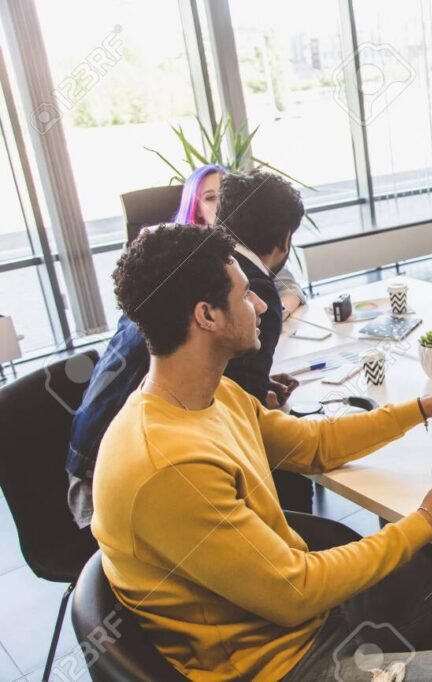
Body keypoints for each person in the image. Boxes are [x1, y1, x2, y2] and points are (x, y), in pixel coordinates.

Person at [92, 225, 432, 681]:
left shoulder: (215, 397)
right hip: (282, 663)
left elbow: (315, 446)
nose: (259, 305)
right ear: (206, 316)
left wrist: (425, 407)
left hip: (308, 618)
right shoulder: (169, 466)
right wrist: (425, 520)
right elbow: (297, 590)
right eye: (244, 295)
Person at [66, 170, 310, 525]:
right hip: (116, 496)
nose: (256, 305)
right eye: (247, 298)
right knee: (291, 478)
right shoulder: (248, 288)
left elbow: (227, 395)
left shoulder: (183, 264)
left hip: (91, 461)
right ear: (286, 239)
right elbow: (243, 432)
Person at [173, 163, 307, 316]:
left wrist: (275, 314)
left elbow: (290, 288)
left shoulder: (252, 240)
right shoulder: (186, 256)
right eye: (211, 198)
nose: (220, 204)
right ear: (196, 208)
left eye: (225, 197)